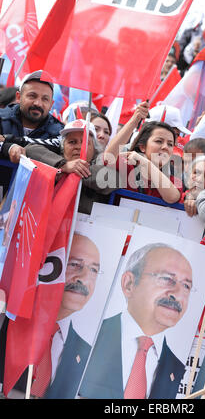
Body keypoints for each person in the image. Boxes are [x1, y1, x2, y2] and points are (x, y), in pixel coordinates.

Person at [78, 243, 193, 399]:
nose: (178, 295)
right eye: (167, 279)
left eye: (186, 286)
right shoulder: (87, 338)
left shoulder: (176, 367)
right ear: (129, 284)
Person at [37, 233, 101, 399]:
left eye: (93, 270)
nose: (84, 279)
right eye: (74, 264)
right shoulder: (9, 323)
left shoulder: (90, 355)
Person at [25, 119, 118, 214]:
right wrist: (63, 165)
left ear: (94, 148)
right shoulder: (55, 160)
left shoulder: (101, 167)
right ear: (63, 147)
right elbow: (29, 149)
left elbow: (114, 179)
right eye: (72, 142)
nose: (78, 147)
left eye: (85, 143)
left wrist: (75, 171)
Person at [0, 70, 64, 194]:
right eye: (32, 96)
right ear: (18, 97)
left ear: (51, 104)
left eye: (45, 99)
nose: (38, 103)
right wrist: (8, 148)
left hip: (29, 207)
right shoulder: (1, 118)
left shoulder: (61, 132)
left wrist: (9, 142)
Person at [105, 103, 183, 203]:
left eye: (170, 144)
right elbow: (108, 157)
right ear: (142, 147)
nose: (165, 147)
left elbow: (172, 197)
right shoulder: (127, 165)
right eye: (159, 141)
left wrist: (146, 163)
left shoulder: (173, 177)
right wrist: (134, 120)